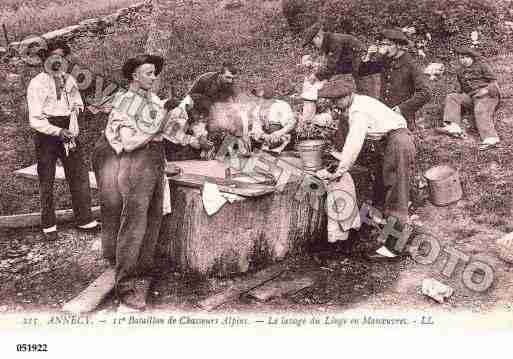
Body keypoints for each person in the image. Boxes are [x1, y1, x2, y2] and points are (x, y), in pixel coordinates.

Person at [92, 54, 211, 311]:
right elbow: (129, 142)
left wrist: (185, 127)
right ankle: (125, 287)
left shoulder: (153, 99)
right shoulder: (124, 102)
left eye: (155, 73)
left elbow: (169, 133)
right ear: (134, 76)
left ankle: (143, 272)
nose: (154, 77)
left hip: (155, 164)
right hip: (135, 164)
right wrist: (159, 124)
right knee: (134, 225)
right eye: (149, 73)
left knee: (154, 219)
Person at [314, 83, 415, 260]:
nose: (335, 104)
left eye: (338, 100)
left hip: (398, 142)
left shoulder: (358, 112)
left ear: (349, 95)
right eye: (333, 100)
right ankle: (389, 235)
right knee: (384, 190)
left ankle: (393, 248)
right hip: (391, 141)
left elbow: (353, 144)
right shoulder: (358, 103)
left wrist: (338, 172)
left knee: (396, 194)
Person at [26, 40, 99, 241]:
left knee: (79, 175)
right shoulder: (37, 83)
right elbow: (35, 119)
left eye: (62, 57)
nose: (58, 61)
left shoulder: (70, 80)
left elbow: (77, 104)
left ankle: (84, 219)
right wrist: (57, 131)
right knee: (46, 179)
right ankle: (48, 224)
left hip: (69, 131)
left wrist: (75, 122)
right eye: (53, 57)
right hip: (47, 134)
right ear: (45, 59)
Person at [437, 47, 501, 150]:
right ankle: (454, 127)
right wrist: (458, 96)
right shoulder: (460, 71)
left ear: (472, 58)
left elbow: (494, 83)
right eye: (461, 58)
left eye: (466, 57)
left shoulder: (481, 65)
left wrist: (485, 91)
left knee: (480, 109)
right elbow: (462, 89)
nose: (464, 60)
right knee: (452, 97)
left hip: (488, 95)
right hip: (472, 97)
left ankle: (491, 139)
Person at [302, 22, 381, 95]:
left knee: (365, 92)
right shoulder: (328, 41)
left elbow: (331, 66)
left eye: (313, 43)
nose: (314, 46)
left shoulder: (334, 42)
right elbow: (333, 66)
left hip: (361, 63)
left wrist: (316, 76)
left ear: (317, 37)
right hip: (353, 64)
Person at [375, 28, 431, 131]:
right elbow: (362, 72)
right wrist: (370, 55)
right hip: (383, 114)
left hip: (401, 119)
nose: (385, 48)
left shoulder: (411, 64)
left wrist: (402, 109)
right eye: (383, 44)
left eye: (388, 45)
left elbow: (425, 93)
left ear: (399, 46)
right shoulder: (386, 60)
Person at [248, 85, 297, 153]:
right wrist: (263, 135)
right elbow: (256, 127)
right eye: (256, 97)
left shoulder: (281, 105)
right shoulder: (256, 110)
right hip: (265, 139)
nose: (257, 100)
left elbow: (291, 123)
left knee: (284, 138)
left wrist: (278, 133)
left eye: (259, 97)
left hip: (281, 137)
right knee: (251, 136)